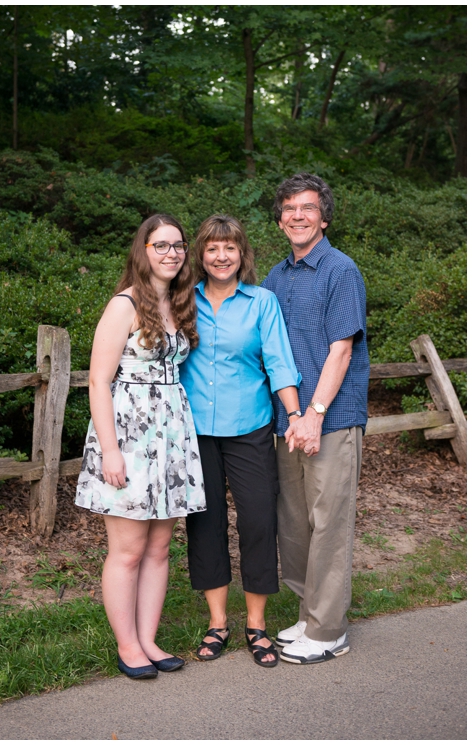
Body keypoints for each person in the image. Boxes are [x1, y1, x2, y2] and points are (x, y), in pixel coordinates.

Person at [75, 214, 206, 679]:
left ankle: (149, 639)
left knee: (159, 549)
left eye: (178, 246)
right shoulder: (123, 304)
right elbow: (96, 380)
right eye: (161, 245)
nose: (172, 253)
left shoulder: (178, 303)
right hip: (129, 437)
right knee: (127, 549)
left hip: (171, 436)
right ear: (143, 250)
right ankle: (127, 645)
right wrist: (110, 451)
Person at [179, 215, 302, 668]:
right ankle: (217, 623)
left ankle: (256, 624)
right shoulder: (182, 300)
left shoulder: (261, 302)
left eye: (229, 247)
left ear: (242, 253)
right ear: (201, 254)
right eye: (212, 248)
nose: (221, 256)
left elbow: (279, 362)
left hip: (249, 426)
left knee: (257, 521)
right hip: (194, 430)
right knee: (205, 524)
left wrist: (294, 415)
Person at [261, 173, 369, 665]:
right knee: (296, 522)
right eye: (288, 208)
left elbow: (341, 350)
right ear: (280, 218)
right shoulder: (276, 277)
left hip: (331, 417)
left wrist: (315, 414)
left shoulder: (340, 270)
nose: (296, 215)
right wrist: (292, 415)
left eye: (306, 207)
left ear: (323, 216)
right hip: (288, 419)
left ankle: (329, 630)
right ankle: (308, 613)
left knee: (329, 522)